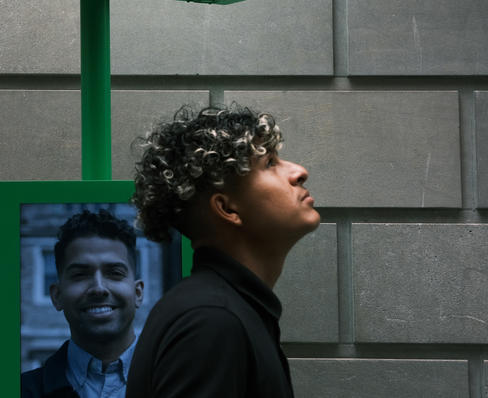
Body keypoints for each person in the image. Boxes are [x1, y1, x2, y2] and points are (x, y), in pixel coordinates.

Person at [125, 105, 321, 398]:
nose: (298, 172)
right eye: (269, 163)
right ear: (227, 208)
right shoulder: (212, 321)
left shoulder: (226, 311)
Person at [22, 209, 144, 398]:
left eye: (114, 273)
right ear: (57, 296)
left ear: (138, 293)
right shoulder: (21, 390)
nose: (99, 288)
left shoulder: (178, 384)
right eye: (80, 275)